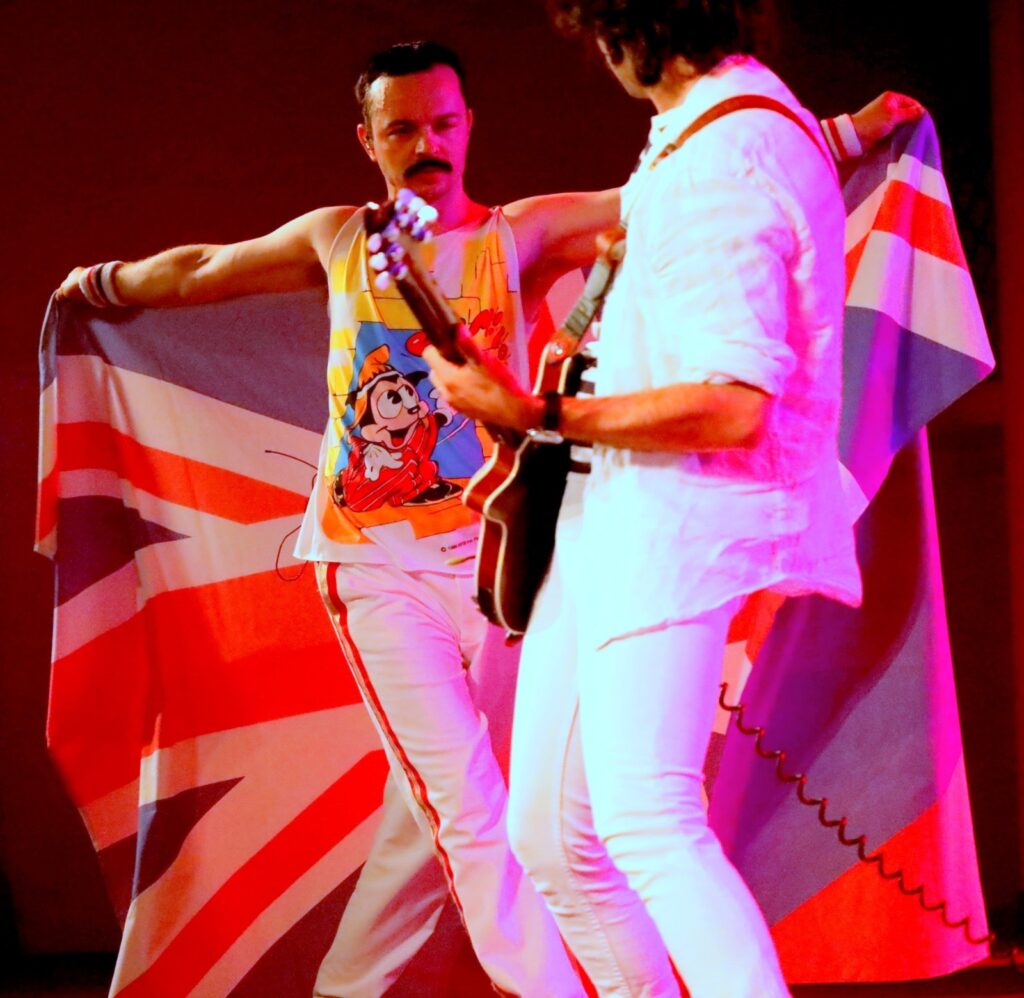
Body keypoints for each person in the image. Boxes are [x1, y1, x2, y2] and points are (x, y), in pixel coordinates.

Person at [58, 37, 919, 998]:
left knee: (491, 811)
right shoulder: (338, 239)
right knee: (468, 811)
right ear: (367, 139)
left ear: (468, 126)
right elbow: (205, 268)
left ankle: (350, 984)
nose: (426, 144)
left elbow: (677, 193)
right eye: (401, 130)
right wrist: (96, 286)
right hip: (374, 567)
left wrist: (848, 133)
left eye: (442, 123)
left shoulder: (520, 234)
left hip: (504, 563)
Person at [422, 3, 895, 995]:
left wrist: (533, 409)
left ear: (620, 29)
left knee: (647, 819)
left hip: (671, 523)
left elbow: (732, 405)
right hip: (614, 512)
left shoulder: (724, 158)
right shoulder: (708, 130)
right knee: (551, 835)